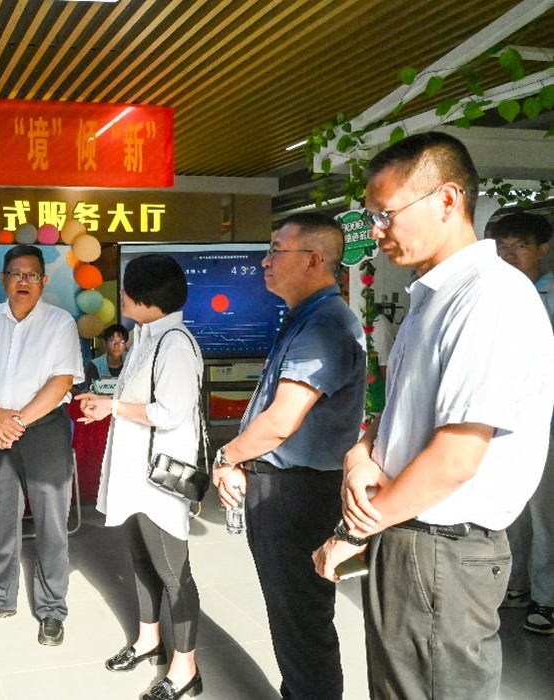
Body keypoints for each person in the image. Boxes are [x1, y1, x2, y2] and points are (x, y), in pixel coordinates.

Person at [312, 132, 554, 698]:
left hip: (442, 547)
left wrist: (354, 528)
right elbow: (410, 409)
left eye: (385, 214)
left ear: (446, 199)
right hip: (411, 533)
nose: (377, 231)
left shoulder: (488, 298)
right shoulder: (435, 296)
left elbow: (455, 458)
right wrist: (362, 451)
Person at [211, 213, 366, 700]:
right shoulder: (306, 317)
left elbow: (281, 421)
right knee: (293, 615)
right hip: (289, 486)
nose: (266, 260)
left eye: (277, 250)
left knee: (301, 619)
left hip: (298, 493)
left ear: (314, 259)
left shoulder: (325, 324)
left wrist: (226, 456)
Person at [77, 254, 204, 700]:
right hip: (134, 476)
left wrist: (112, 407)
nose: (122, 297)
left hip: (159, 482)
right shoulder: (144, 337)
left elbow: (170, 413)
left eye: (127, 289)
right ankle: (149, 640)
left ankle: (186, 668)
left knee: (173, 573)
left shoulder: (175, 344)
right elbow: (134, 399)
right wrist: (105, 405)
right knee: (142, 562)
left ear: (146, 296)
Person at [0, 244, 83, 647]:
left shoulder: (60, 323)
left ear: (43, 281)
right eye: (16, 273)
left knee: (51, 523)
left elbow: (62, 381)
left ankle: (52, 608)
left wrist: (16, 422)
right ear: (3, 279)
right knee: (1, 518)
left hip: (43, 432)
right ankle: (0, 598)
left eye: (31, 275)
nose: (23, 281)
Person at [489, 210, 554, 633]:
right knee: (514, 506)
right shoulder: (498, 294)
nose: (510, 255)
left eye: (521, 246)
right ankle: (517, 585)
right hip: (504, 420)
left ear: (542, 249)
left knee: (546, 514)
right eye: (503, 246)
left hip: (546, 422)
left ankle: (547, 598)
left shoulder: (549, 295)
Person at [82, 323, 128, 391]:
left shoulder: (132, 362)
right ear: (105, 343)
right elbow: (91, 390)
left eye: (121, 342)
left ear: (125, 345)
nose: (116, 345)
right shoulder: (95, 365)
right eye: (112, 341)